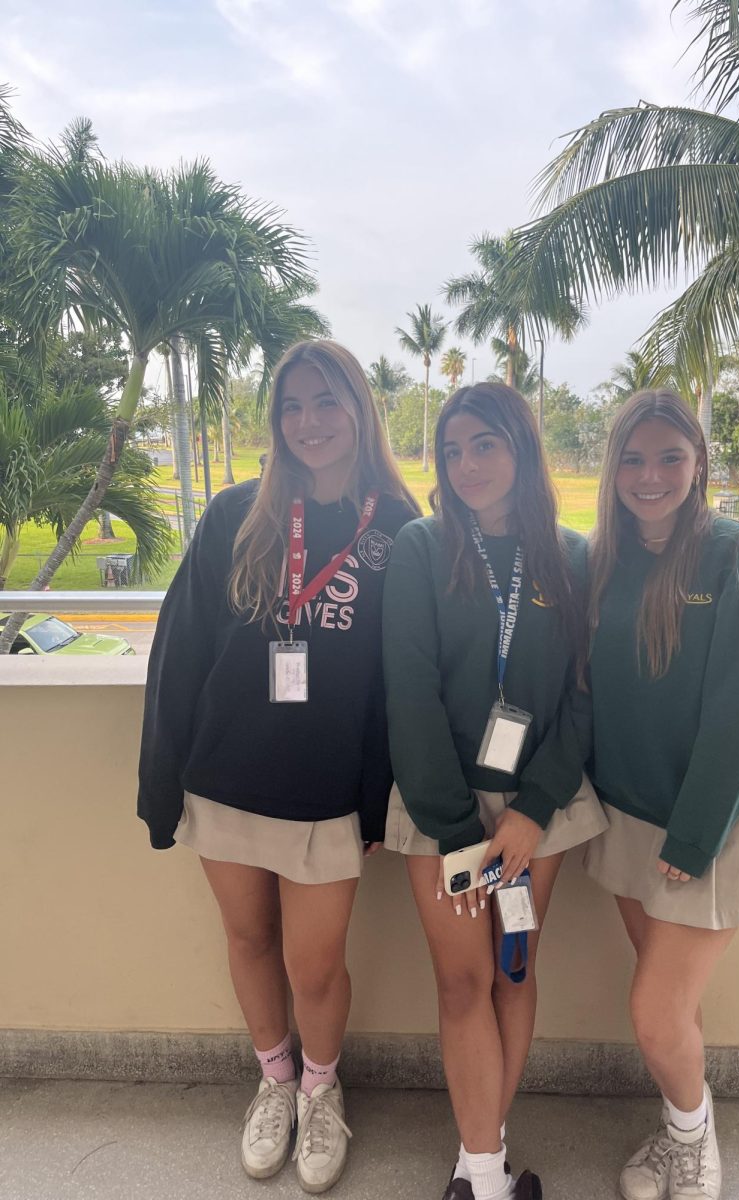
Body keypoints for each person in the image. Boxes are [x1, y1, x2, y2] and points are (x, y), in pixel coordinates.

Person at [138, 340, 419, 1191]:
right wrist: (159, 784)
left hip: (327, 794)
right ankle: (276, 1081)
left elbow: (398, 685)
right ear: (275, 420)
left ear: (360, 410)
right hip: (224, 778)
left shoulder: (399, 528)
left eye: (327, 402)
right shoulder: (235, 515)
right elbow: (179, 654)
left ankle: (324, 1093)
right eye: (292, 406)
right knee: (248, 938)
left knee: (315, 965)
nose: (310, 422)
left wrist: (376, 802)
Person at [382, 383, 607, 1200]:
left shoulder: (572, 556)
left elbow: (586, 694)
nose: (468, 464)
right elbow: (408, 692)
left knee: (513, 969)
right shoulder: (420, 547)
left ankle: (482, 1156)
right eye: (452, 449)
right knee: (461, 981)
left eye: (486, 444)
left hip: (534, 808)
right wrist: (455, 833)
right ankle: (484, 1174)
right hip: (438, 802)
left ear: (522, 447)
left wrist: (532, 813)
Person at [582, 390, 739, 1200]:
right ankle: (684, 1130)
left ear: (700, 462)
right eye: (634, 459)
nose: (651, 475)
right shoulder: (601, 559)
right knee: (670, 1005)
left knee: (652, 1013)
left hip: (706, 827)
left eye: (671, 456)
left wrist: (693, 837)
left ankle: (693, 1144)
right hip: (626, 819)